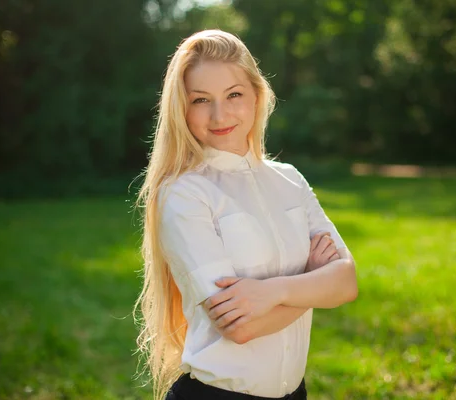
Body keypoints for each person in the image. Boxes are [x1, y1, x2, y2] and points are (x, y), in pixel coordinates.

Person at [134, 29, 358, 400]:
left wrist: (275, 291)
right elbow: (239, 328)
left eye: (234, 94)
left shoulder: (291, 180)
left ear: (257, 95)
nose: (220, 114)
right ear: (181, 108)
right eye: (201, 99)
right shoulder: (184, 194)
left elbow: (346, 281)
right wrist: (313, 282)